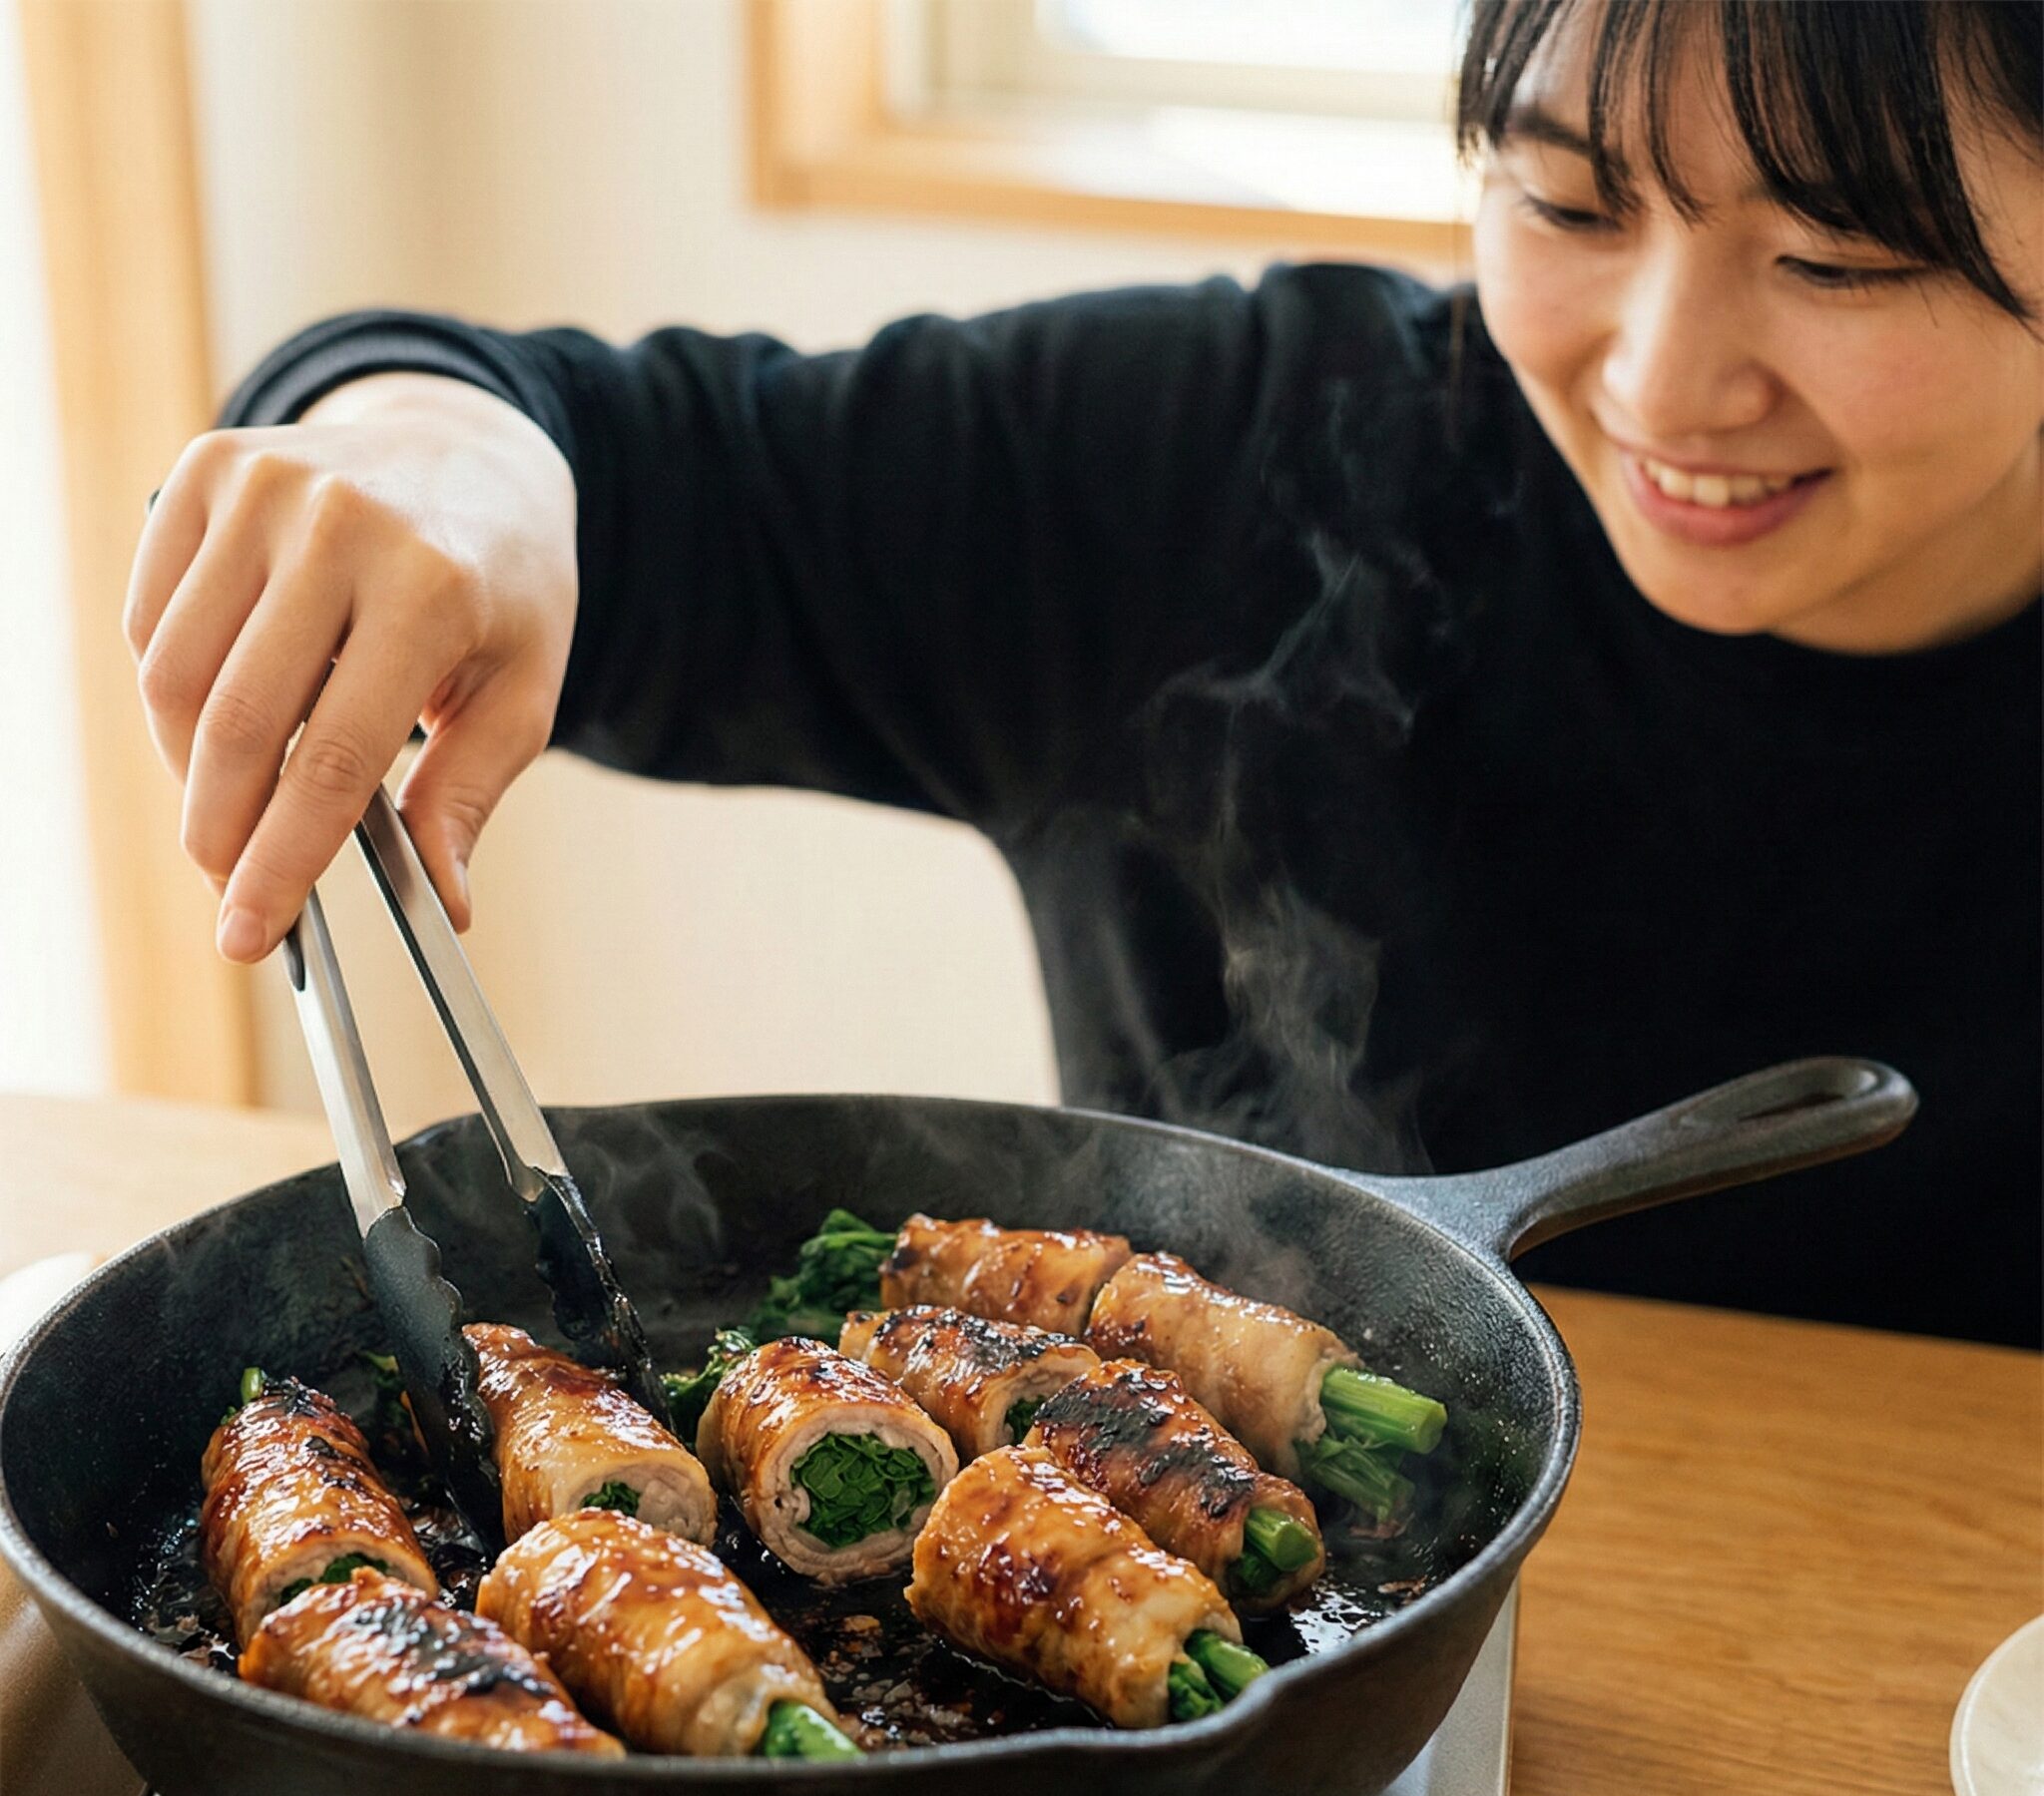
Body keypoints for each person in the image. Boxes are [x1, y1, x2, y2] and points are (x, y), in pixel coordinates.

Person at [124, 0, 2041, 1345]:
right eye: (1567, 204)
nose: (1654, 382)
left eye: (1843, 257)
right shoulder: (1223, 467)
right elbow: (567, 442)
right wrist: (441, 458)